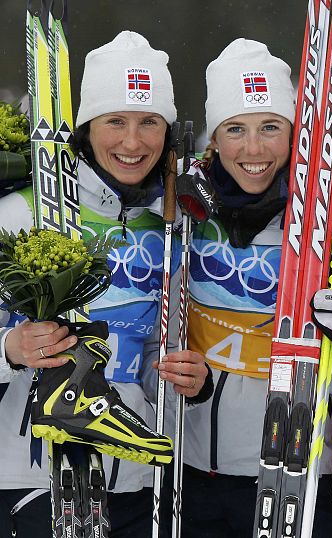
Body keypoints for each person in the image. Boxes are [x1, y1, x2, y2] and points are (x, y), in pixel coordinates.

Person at [0, 31, 212, 537]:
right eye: (115, 121)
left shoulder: (172, 223)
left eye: (148, 122)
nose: (132, 142)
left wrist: (190, 380)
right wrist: (10, 347)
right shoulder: (18, 212)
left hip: (137, 483)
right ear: (87, 126)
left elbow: (172, 346)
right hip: (31, 476)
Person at [175, 38, 332, 538]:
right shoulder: (185, 210)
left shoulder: (326, 217)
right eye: (236, 130)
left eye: (271, 128)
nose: (253, 149)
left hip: (295, 470)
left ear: (294, 133)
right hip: (195, 465)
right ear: (214, 137)